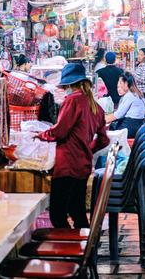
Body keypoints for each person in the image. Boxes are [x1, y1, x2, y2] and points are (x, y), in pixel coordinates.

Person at [35, 63, 109, 229]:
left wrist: (41, 135)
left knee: (58, 215)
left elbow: (59, 131)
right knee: (78, 212)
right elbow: (104, 140)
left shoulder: (72, 101)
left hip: (67, 165)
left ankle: (72, 249)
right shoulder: (96, 106)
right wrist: (87, 149)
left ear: (69, 85)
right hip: (83, 165)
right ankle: (85, 249)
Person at [106, 72, 145, 139]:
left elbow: (118, 115)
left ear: (126, 83)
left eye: (120, 83)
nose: (118, 86)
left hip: (129, 127)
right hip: (136, 126)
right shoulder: (136, 93)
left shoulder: (130, 95)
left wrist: (101, 119)